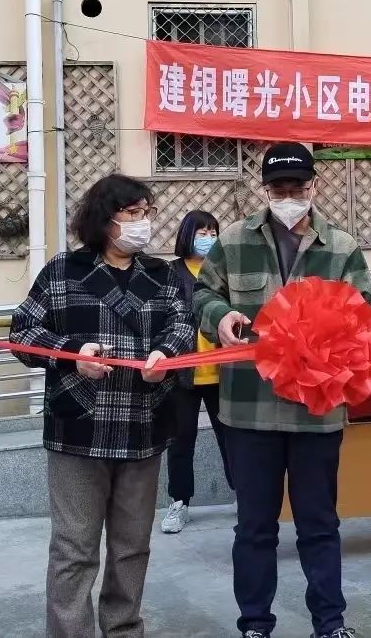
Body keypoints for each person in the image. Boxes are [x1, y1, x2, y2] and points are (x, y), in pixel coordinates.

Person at [194, 142, 371, 638]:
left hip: (316, 412)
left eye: (297, 187)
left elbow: (364, 311)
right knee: (254, 527)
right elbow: (203, 293)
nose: (288, 196)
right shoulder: (233, 241)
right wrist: (218, 315)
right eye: (279, 188)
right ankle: (255, 623)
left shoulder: (341, 247)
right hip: (249, 410)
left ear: (314, 186)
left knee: (320, 524)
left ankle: (330, 624)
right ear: (265, 189)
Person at [10, 174, 194, 638]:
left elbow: (182, 327)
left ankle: (124, 629)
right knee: (74, 549)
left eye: (147, 213)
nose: (143, 222)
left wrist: (166, 356)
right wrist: (73, 353)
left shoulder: (161, 274)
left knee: (132, 547)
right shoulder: (63, 271)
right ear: (104, 218)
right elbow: (23, 333)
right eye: (133, 213)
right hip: (78, 430)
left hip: (143, 427)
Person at [161, 209, 234, 534]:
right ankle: (179, 502)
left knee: (231, 439)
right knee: (180, 440)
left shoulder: (223, 270)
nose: (208, 239)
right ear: (187, 235)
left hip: (223, 372)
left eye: (213, 233)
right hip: (183, 375)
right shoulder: (170, 273)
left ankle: (243, 496)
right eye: (202, 233)